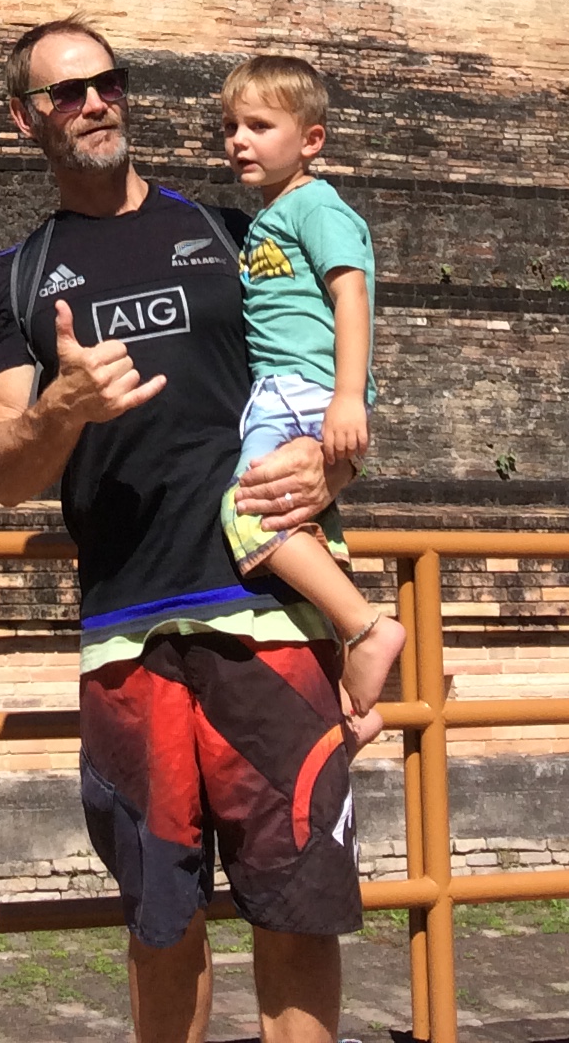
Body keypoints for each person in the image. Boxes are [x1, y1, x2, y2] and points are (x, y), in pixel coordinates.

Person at [0, 19, 363, 1043]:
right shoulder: (17, 276)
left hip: (266, 614)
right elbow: (2, 471)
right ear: (24, 117)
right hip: (128, 632)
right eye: (65, 92)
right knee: (161, 921)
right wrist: (62, 407)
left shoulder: (238, 233)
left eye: (107, 82)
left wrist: (331, 465)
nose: (94, 102)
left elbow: (327, 379)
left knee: (297, 909)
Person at [217, 55, 406, 752]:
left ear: (311, 140)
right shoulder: (271, 216)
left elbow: (351, 294)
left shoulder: (316, 206)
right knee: (308, 535)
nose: (239, 140)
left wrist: (348, 397)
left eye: (260, 126)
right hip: (284, 391)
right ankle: (353, 705)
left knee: (247, 511)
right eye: (231, 127)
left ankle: (366, 627)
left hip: (302, 390)